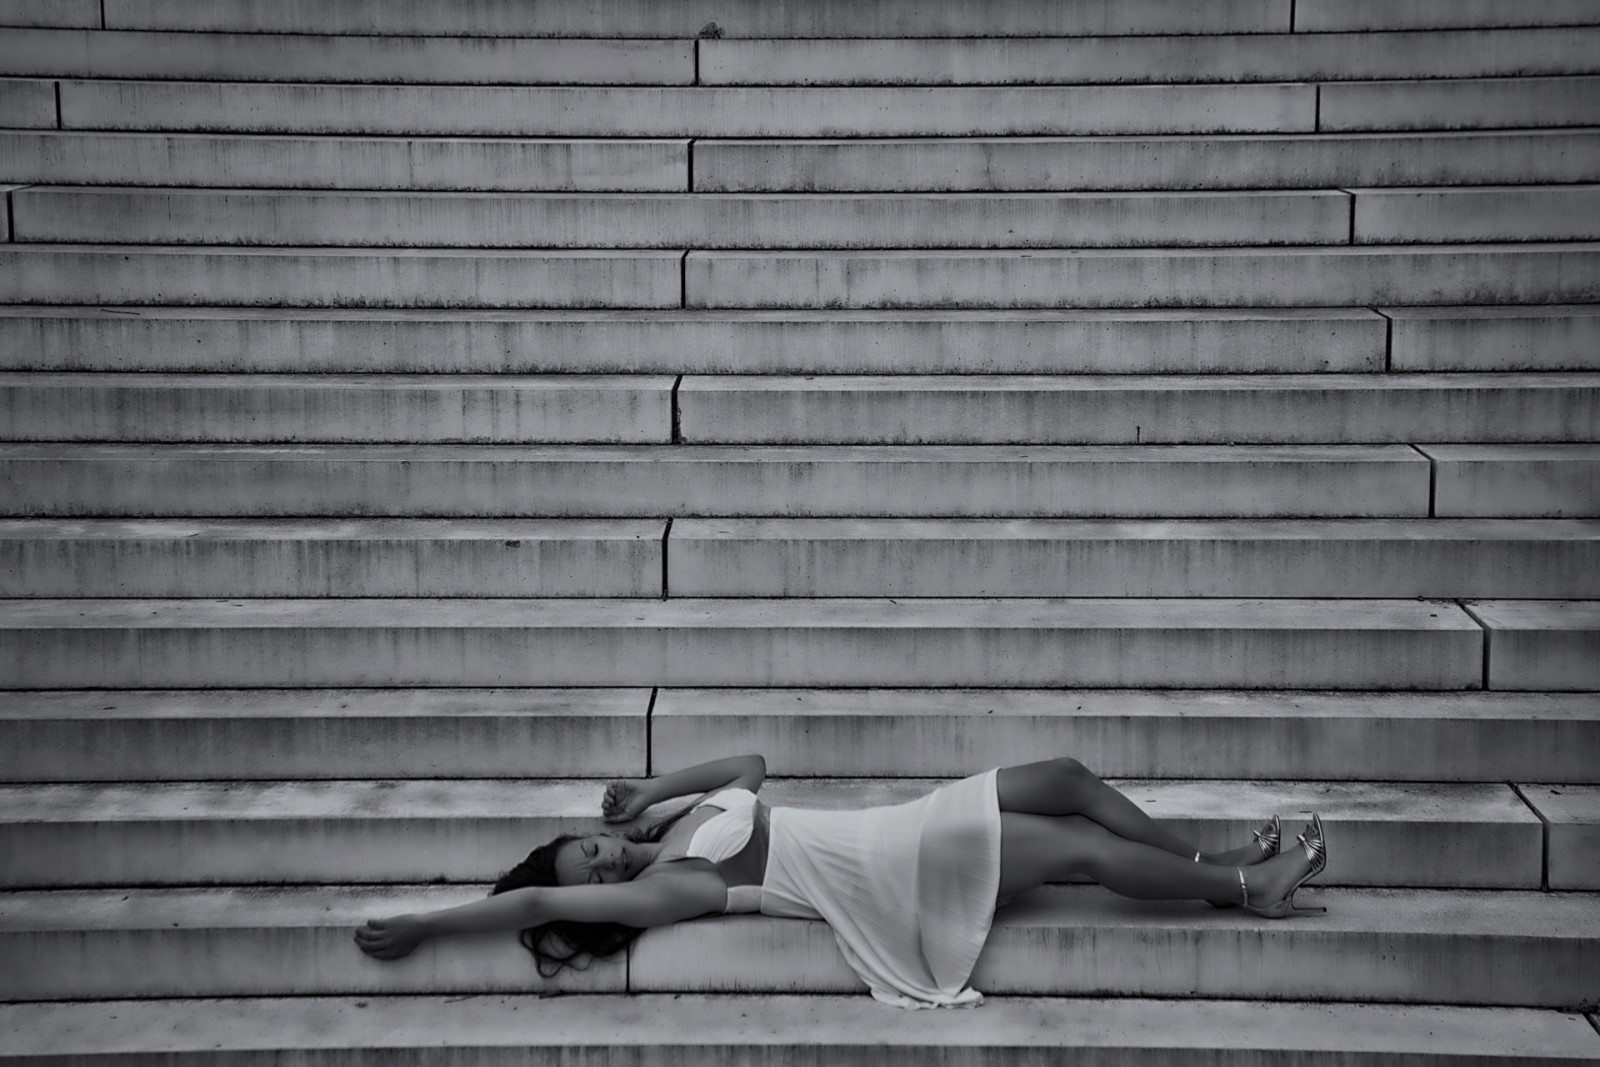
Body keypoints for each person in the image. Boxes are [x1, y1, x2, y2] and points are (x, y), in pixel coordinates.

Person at [355, 754, 1327, 1008]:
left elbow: (750, 759)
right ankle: (1254, 887)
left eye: (589, 845)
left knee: (1068, 779)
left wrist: (652, 787)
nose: (602, 858)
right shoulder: (676, 888)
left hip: (898, 827)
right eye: (592, 871)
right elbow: (533, 904)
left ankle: (1222, 864)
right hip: (899, 872)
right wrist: (427, 923)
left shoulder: (680, 828)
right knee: (1079, 851)